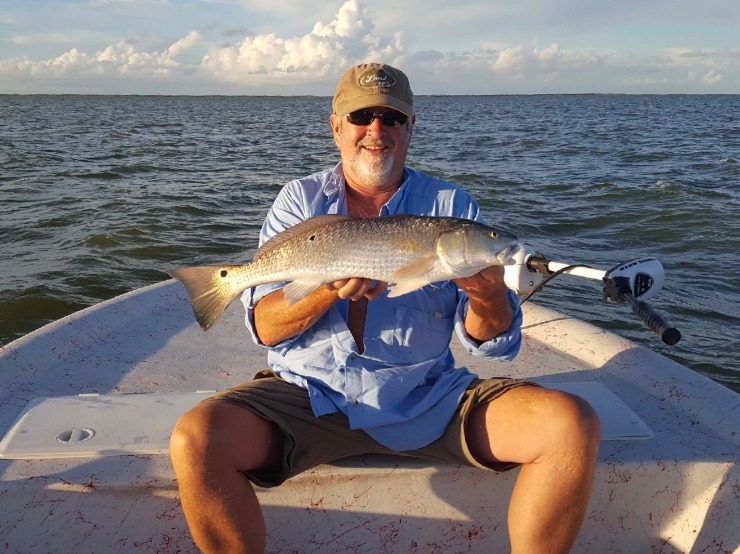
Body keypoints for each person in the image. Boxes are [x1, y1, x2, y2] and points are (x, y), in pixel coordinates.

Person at [170, 63, 601, 554]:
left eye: (392, 118)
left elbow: (490, 344)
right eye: (362, 116)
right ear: (336, 125)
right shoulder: (300, 199)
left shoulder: (451, 206)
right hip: (308, 396)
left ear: (411, 128)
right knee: (196, 440)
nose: (377, 130)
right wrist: (327, 290)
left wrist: (486, 295)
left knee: (571, 423)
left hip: (426, 397)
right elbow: (266, 328)